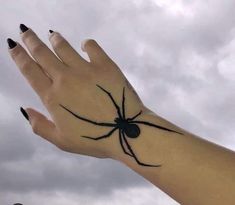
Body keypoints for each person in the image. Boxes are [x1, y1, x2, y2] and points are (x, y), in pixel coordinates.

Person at [7, 24, 235, 205]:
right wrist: (136, 118)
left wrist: (117, 135)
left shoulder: (118, 124)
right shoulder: (124, 118)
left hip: (128, 126)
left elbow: (118, 113)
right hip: (131, 123)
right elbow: (120, 107)